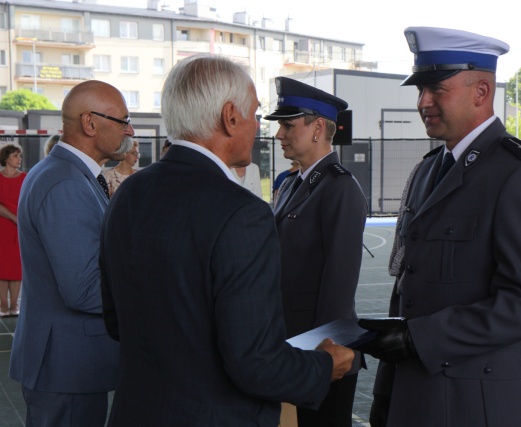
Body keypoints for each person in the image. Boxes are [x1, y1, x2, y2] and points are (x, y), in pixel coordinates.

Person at [99, 53, 354, 427]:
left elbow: (116, 322)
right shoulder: (240, 211)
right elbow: (255, 364)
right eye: (254, 114)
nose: (259, 126)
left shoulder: (129, 193)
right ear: (230, 117)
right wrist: (324, 364)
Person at [357, 27, 521, 427]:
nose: (423, 101)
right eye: (420, 90)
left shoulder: (520, 175)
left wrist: (418, 339)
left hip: (483, 405)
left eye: (437, 89)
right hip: (420, 396)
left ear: (481, 92)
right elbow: (409, 290)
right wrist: (387, 391)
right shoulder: (428, 171)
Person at [10, 80, 135, 427]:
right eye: (123, 120)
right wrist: (153, 293)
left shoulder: (65, 173)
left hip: (66, 364)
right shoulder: (66, 182)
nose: (129, 130)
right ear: (89, 123)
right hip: (67, 366)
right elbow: (83, 289)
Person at [265, 76, 368, 427]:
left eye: (288, 125)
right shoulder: (292, 184)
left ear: (318, 128)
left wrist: (323, 357)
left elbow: (338, 286)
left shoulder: (340, 188)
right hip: (295, 349)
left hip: (324, 354)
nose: (279, 134)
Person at [0, 144, 26, 317]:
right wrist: (12, 217)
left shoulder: (25, 178)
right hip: (3, 228)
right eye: (16, 156)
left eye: (20, 156)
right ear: (6, 158)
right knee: (2, 268)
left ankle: (14, 305)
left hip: (20, 228)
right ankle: (3, 306)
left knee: (16, 268)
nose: (19, 159)